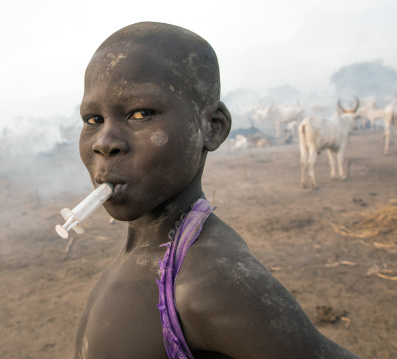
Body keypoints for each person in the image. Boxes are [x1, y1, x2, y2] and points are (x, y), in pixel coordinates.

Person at [73, 21, 361, 359]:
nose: (105, 141)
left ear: (212, 127)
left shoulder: (209, 280)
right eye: (93, 119)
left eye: (140, 113)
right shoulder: (145, 254)